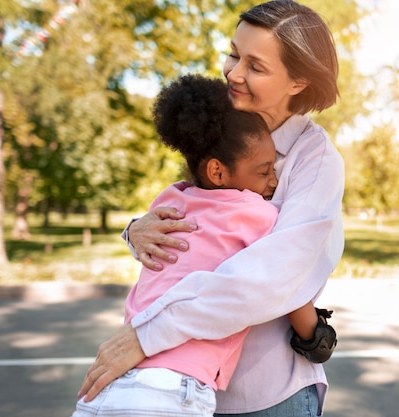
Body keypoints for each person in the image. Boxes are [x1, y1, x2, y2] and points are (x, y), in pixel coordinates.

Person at [78, 1, 344, 416]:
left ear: (298, 81)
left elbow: (271, 276)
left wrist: (146, 335)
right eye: (234, 54)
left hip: (267, 396)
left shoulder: (316, 161)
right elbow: (194, 218)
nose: (233, 73)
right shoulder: (223, 127)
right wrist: (137, 231)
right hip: (181, 385)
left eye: (255, 66)